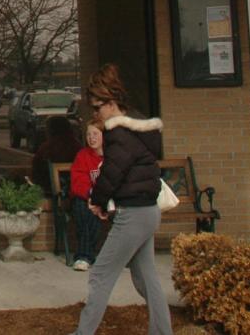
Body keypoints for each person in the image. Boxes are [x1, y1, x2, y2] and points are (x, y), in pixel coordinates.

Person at [69, 64, 173, 335]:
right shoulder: (139, 128)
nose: (95, 114)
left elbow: (112, 173)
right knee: (145, 277)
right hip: (148, 212)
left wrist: (97, 201)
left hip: (133, 214)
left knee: (100, 274)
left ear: (111, 102)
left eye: (97, 107)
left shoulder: (120, 135)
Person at [68, 118, 105, 270]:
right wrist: (91, 196)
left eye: (95, 133)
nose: (92, 138)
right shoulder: (83, 155)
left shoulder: (113, 155)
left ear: (105, 135)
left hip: (110, 199)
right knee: (85, 210)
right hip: (88, 198)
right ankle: (84, 257)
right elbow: (78, 182)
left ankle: (85, 256)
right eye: (88, 134)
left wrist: (102, 199)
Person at [32, 115, 82, 195]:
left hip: (51, 190)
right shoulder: (77, 146)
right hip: (77, 189)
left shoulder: (47, 147)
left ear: (51, 130)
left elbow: (36, 170)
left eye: (47, 129)